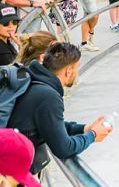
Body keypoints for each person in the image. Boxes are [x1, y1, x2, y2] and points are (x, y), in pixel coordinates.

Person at [7, 43, 112, 175]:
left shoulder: (33, 79)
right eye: (76, 68)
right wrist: (92, 135)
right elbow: (63, 148)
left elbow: (49, 125)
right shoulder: (48, 96)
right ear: (68, 71)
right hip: (13, 172)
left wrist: (83, 129)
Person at [0, 0, 21, 65]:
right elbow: (19, 74)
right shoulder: (3, 53)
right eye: (5, 23)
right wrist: (21, 47)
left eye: (15, 22)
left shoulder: (6, 41)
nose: (11, 26)